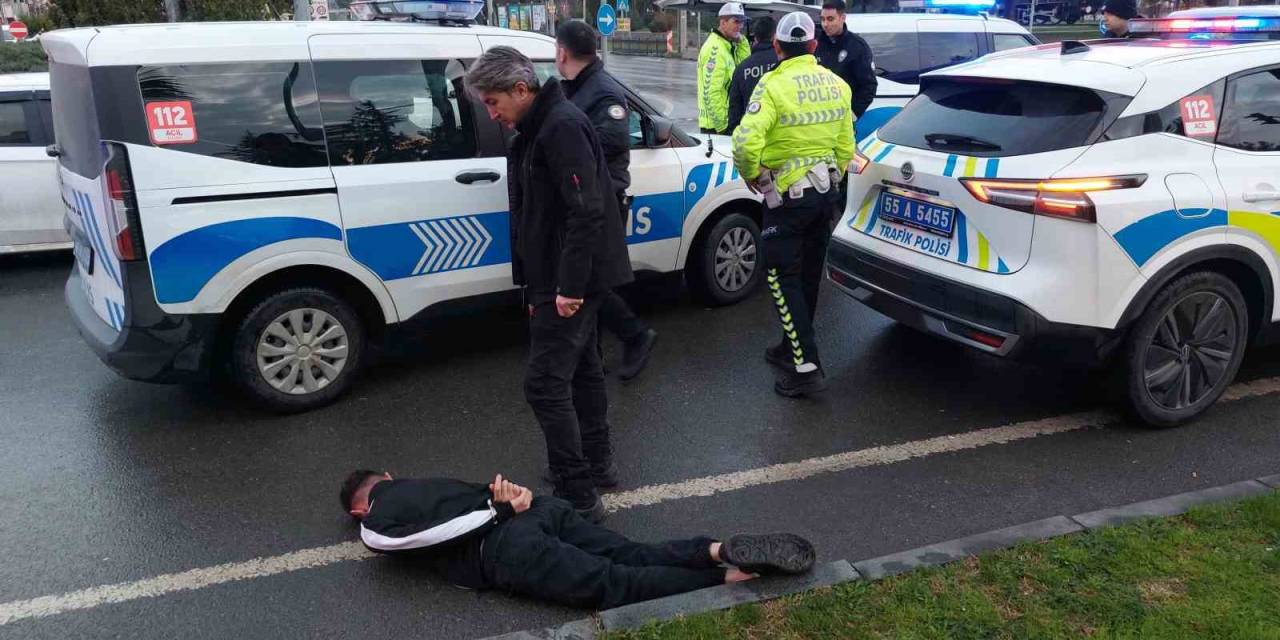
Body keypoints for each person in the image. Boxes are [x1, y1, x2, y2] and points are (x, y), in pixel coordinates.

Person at [466, 47, 633, 522]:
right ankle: (597, 465)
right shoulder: (537, 127)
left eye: (495, 102)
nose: (492, 114)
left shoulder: (560, 126)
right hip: (557, 275)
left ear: (522, 89)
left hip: (571, 277)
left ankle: (577, 490)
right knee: (582, 370)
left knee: (543, 384)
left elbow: (587, 210)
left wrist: (568, 288)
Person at [341, 470, 818, 609]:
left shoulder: (373, 523)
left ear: (358, 507)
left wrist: (499, 512)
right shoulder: (427, 481)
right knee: (629, 551)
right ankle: (714, 549)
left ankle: (729, 576)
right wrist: (512, 500)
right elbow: (491, 491)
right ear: (386, 474)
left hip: (506, 547)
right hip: (539, 511)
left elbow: (435, 534)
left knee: (618, 583)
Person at [732, 12, 855, 398]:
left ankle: (806, 365)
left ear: (779, 48)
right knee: (806, 276)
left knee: (780, 275)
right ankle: (792, 345)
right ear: (814, 46)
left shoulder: (772, 85)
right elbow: (845, 147)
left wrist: (751, 174)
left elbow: (745, 142)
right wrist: (831, 179)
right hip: (824, 197)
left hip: (786, 198)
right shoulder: (838, 85)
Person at [555, 19, 659, 382]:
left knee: (590, 281)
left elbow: (613, 140)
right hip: (584, 195)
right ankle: (595, 358)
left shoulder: (603, 91)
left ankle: (635, 335)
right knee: (587, 279)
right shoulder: (574, 86)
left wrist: (560, 147)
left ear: (562, 52)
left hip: (603, 197)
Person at [815, 0, 877, 120]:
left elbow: (868, 86)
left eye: (830, 19)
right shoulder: (815, 43)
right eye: (822, 19)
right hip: (816, 118)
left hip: (842, 118)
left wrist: (852, 115)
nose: (825, 24)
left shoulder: (857, 46)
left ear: (842, 18)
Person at [697, 2, 751, 135]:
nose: (740, 26)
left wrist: (742, 42)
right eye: (736, 21)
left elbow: (743, 67)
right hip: (716, 126)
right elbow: (711, 92)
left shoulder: (727, 46)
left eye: (742, 22)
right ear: (723, 22)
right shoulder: (715, 49)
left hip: (726, 121)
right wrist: (722, 127)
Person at [727, 15, 778, 135]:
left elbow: (735, 111)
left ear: (755, 38)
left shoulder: (742, 68)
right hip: (779, 135)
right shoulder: (785, 62)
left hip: (751, 134)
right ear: (775, 36)